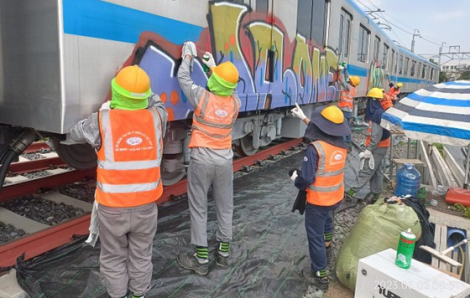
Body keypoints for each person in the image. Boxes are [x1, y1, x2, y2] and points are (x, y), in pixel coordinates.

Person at [70, 65, 168, 298]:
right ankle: (138, 295)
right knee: (141, 255)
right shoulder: (157, 117)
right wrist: (143, 87)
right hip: (146, 207)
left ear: (116, 92)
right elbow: (157, 103)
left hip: (112, 208)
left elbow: (74, 134)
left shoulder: (101, 121)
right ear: (145, 97)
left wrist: (103, 112)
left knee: (113, 257)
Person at [176, 41, 241, 275]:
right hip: (224, 162)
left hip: (202, 160)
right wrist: (214, 68)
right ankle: (223, 254)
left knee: (199, 206)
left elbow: (183, 78)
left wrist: (188, 57)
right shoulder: (235, 104)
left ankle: (201, 259)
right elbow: (225, 87)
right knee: (225, 206)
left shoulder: (201, 98)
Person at [290, 103, 350, 290]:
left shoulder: (315, 149)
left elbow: (306, 179)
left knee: (314, 236)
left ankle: (320, 275)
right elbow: (325, 134)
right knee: (327, 223)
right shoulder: (342, 144)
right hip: (335, 197)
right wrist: (303, 118)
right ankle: (328, 245)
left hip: (317, 202)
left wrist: (295, 178)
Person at [345, 87, 391, 204]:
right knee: (378, 171)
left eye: (369, 100)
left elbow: (376, 135)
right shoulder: (381, 111)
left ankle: (350, 193)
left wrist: (369, 150)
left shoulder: (377, 114)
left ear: (373, 100)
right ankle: (376, 195)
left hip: (377, 148)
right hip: (382, 146)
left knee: (366, 171)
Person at [337, 62, 360, 147]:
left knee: (343, 127)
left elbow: (340, 78)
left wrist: (340, 70)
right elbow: (347, 78)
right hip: (349, 111)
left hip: (344, 110)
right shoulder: (353, 88)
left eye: (350, 80)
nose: (349, 79)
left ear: (351, 82)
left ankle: (344, 143)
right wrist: (345, 69)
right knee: (347, 127)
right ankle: (348, 141)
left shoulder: (348, 87)